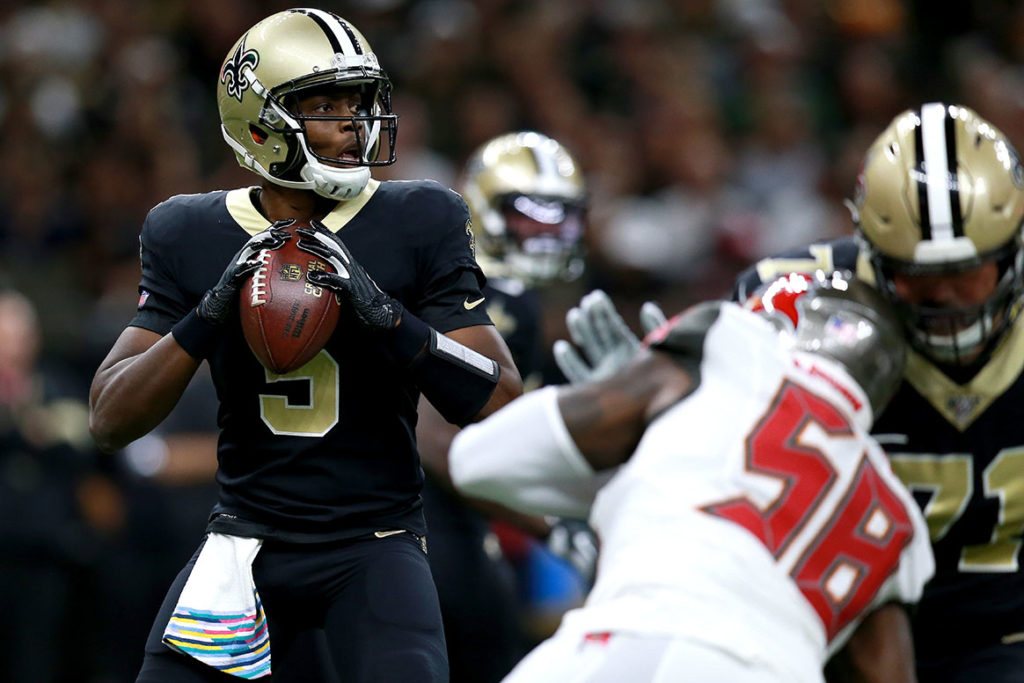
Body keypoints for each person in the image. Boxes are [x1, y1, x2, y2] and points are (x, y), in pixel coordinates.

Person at [88, 8, 522, 682]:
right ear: (259, 123)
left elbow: (500, 400)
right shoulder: (189, 231)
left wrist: (386, 317)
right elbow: (110, 416)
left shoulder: (420, 217)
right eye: (325, 104)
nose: (355, 123)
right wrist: (208, 312)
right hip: (242, 545)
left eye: (359, 100)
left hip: (374, 544)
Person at [448, 272, 934, 682]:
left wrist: (633, 438)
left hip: (638, 641)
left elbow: (477, 461)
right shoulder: (902, 517)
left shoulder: (730, 350)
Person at [732, 103, 1024, 682]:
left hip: (1004, 633)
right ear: (873, 258)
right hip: (831, 630)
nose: (946, 301)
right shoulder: (797, 305)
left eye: (968, 274)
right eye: (918, 277)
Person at [416, 130, 593, 682]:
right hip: (424, 530)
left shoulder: (449, 280)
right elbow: (436, 438)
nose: (547, 233)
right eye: (530, 215)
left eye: (560, 217)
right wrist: (558, 528)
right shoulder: (492, 301)